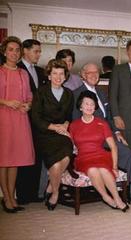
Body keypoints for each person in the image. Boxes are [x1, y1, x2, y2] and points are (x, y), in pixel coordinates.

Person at [73, 62, 131, 198]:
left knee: (129, 152)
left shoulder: (101, 92)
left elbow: (109, 115)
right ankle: (123, 191)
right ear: (83, 75)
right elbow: (76, 120)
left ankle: (124, 188)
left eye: (96, 72)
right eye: (90, 73)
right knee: (126, 153)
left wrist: (117, 132)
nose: (94, 75)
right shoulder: (77, 93)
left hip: (107, 132)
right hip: (92, 138)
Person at [69, 90, 129, 212]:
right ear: (80, 106)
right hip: (83, 158)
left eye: (92, 104)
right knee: (92, 170)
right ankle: (106, 197)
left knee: (103, 170)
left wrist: (115, 167)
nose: (89, 107)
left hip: (100, 155)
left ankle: (117, 198)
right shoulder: (73, 125)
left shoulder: (102, 123)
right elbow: (70, 146)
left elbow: (113, 147)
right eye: (86, 104)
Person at [31, 59, 74, 211]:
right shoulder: (41, 92)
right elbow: (35, 117)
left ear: (65, 76)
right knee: (56, 164)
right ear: (49, 76)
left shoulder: (69, 94)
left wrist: (65, 125)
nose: (58, 77)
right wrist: (53, 127)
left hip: (62, 133)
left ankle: (51, 185)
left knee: (67, 155)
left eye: (61, 74)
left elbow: (69, 115)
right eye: (54, 73)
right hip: (45, 133)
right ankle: (55, 192)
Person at [0, 36, 35, 213]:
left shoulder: (23, 73)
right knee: (3, 159)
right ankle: (6, 197)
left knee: (15, 159)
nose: (14, 53)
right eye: (11, 49)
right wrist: (6, 102)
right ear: (4, 51)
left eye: (17, 50)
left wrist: (28, 104)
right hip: (4, 117)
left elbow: (29, 95)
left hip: (20, 118)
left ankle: (12, 197)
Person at [16, 39, 48, 204]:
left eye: (39, 51)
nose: (38, 54)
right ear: (25, 51)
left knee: (36, 156)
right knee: (23, 157)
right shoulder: (17, 69)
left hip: (38, 122)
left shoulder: (41, 71)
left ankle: (33, 193)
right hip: (21, 119)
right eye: (36, 51)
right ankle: (22, 195)